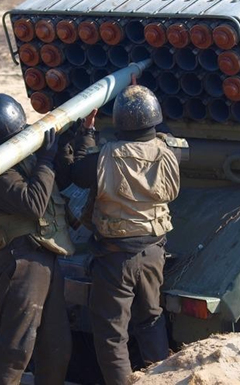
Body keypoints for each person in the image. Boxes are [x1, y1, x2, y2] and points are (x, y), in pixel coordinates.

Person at [71, 85, 181, 385]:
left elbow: (76, 172)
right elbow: (166, 135)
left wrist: (87, 133)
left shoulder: (104, 158)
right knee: (152, 320)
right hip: (153, 252)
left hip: (115, 257)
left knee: (111, 333)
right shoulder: (170, 153)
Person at [0, 93, 74, 385]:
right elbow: (33, 203)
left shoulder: (18, 158)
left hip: (45, 255)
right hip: (21, 260)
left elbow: (61, 180)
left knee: (56, 347)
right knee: (15, 349)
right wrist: (46, 160)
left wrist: (70, 142)